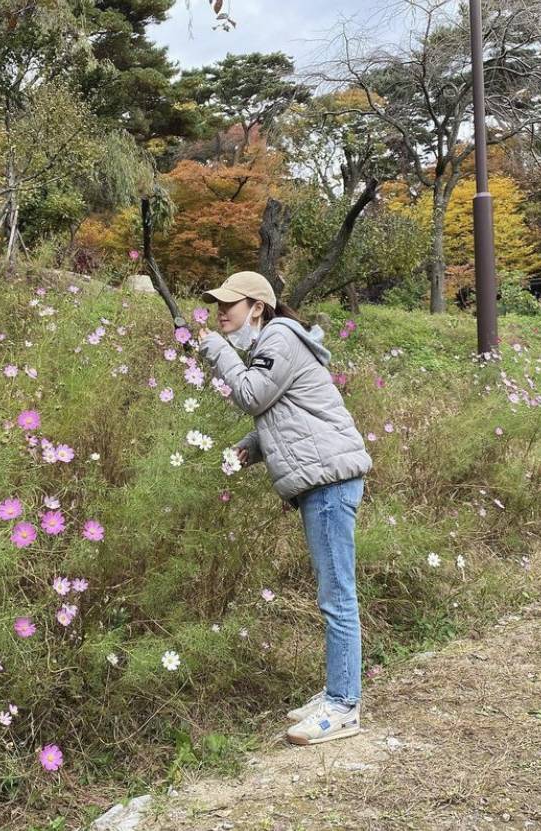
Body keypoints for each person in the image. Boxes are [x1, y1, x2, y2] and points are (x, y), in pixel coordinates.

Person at [196, 270, 373, 746]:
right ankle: (338, 691)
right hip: (324, 480)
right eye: (217, 305)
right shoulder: (272, 345)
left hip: (330, 481)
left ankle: (343, 707)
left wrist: (215, 349)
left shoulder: (277, 337)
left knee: (336, 595)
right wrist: (245, 451)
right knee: (332, 591)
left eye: (228, 305)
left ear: (256, 307)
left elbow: (252, 394)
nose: (220, 313)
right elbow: (279, 415)